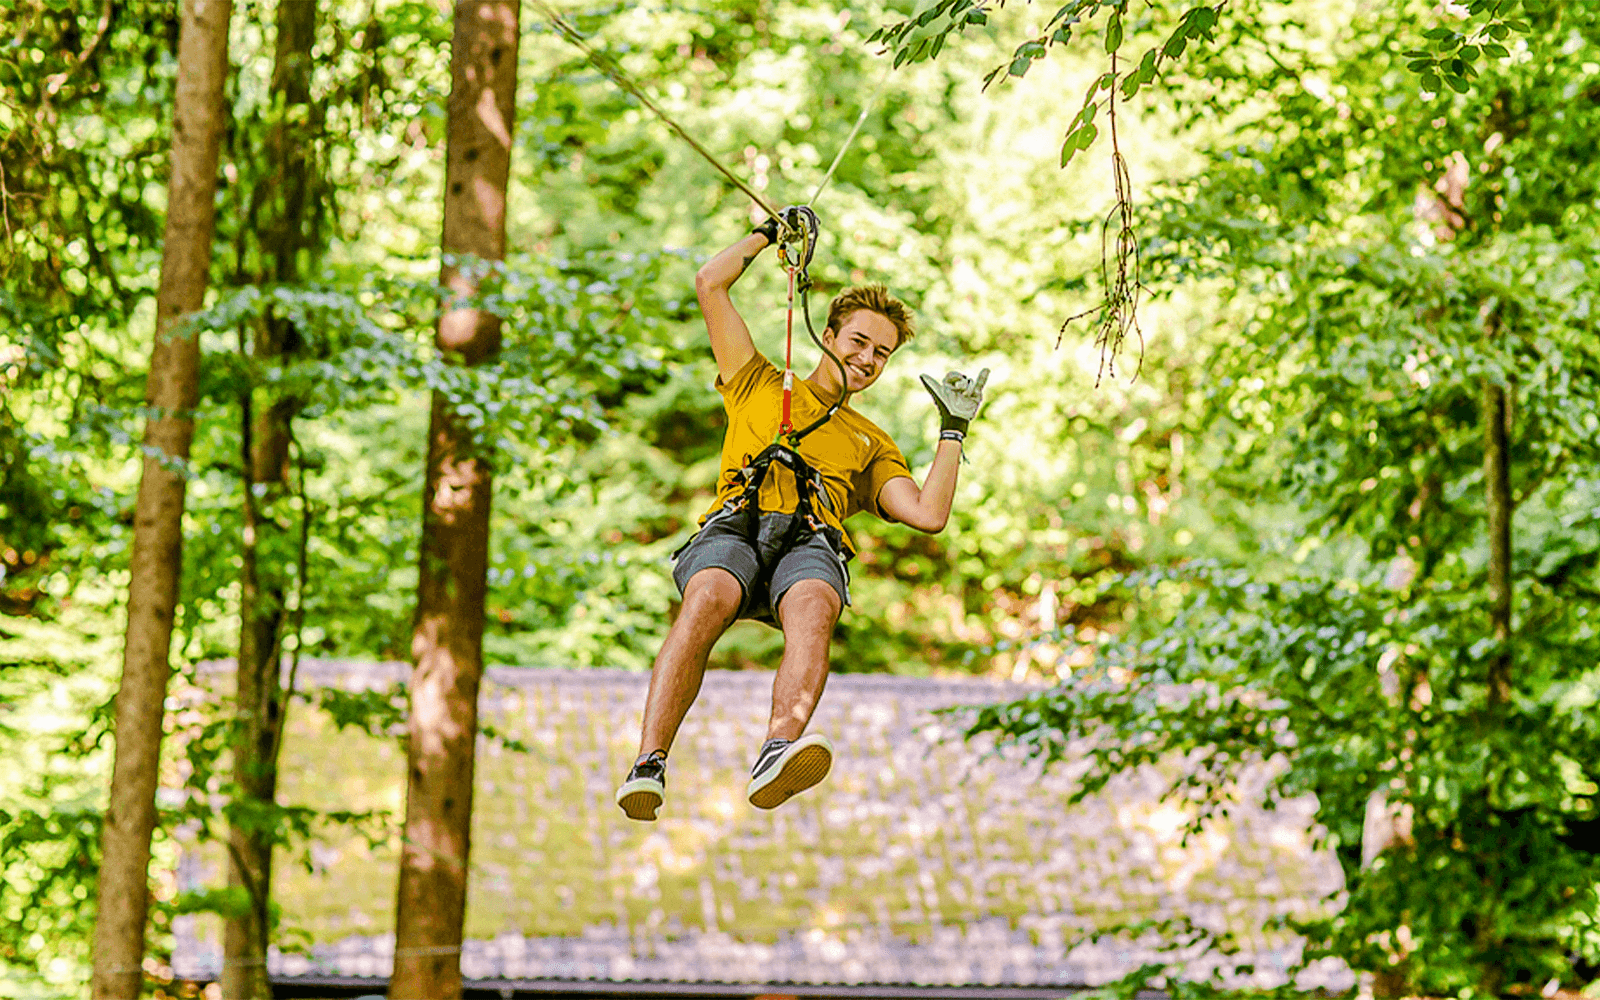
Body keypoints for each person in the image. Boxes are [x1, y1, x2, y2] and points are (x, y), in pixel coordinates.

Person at [616, 208, 989, 821]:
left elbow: (926, 514)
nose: (868, 359)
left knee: (816, 602)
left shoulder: (871, 441)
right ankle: (650, 761)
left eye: (882, 353)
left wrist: (952, 430)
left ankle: (777, 748)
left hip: (809, 540)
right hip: (738, 522)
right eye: (859, 342)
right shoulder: (757, 381)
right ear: (829, 335)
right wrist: (768, 234)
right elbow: (711, 282)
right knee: (708, 594)